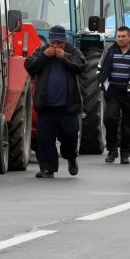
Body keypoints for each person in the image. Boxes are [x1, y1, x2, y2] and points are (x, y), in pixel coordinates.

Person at [24, 25, 87, 178]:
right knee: (44, 138)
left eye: (59, 43)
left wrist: (63, 56)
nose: (56, 46)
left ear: (65, 42)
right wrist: (45, 56)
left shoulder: (72, 51)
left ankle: (71, 157)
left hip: (68, 105)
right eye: (53, 43)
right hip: (46, 105)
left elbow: (81, 65)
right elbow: (30, 66)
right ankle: (47, 168)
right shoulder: (41, 51)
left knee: (71, 135)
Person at [97, 26, 130, 165]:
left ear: (129, 37)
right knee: (110, 119)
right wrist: (102, 83)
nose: (120, 39)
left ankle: (125, 153)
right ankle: (112, 150)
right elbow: (100, 68)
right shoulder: (109, 51)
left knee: (129, 124)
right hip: (113, 91)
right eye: (118, 36)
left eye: (123, 36)